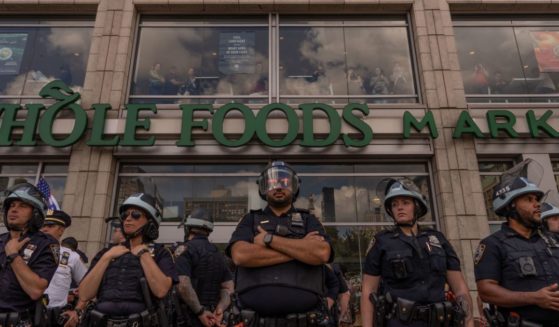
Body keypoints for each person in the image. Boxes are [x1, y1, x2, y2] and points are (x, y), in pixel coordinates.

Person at [227, 161, 333, 326]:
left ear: (294, 186)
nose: (278, 187)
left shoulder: (309, 220)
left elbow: (321, 253)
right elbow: (240, 255)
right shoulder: (250, 220)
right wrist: (301, 249)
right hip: (254, 321)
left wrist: (270, 240)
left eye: (284, 182)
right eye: (272, 183)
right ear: (264, 188)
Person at [361, 178, 474, 327]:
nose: (399, 208)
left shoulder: (437, 239)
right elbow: (368, 291)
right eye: (394, 204)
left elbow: (459, 287)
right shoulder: (382, 241)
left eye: (405, 203)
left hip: (440, 321)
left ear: (417, 207)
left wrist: (469, 321)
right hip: (400, 322)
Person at [474, 161, 559, 326]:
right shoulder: (493, 244)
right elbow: (486, 291)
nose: (537, 204)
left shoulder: (553, 240)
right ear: (511, 205)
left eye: (537, 199)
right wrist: (534, 298)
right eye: (529, 199)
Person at [79, 193, 178, 326]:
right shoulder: (107, 253)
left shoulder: (160, 253)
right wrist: (106, 258)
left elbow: (161, 291)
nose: (128, 219)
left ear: (150, 220)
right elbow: (84, 294)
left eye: (136, 214)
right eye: (125, 215)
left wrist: (144, 254)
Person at [0, 183, 59, 326]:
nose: (14, 209)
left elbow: (35, 290)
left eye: (22, 206)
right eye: (12, 205)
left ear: (36, 214)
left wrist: (13, 255)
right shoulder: (0, 240)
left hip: (17, 321)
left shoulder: (46, 243)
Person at [175, 208, 234, 327]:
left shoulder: (186, 250)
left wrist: (200, 312)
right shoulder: (218, 253)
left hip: (190, 317)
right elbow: (229, 288)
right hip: (213, 318)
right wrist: (219, 310)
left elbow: (183, 285)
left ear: (188, 228)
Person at [41, 210, 88, 327]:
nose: (44, 229)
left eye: (50, 226)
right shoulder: (26, 251)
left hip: (56, 318)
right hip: (26, 315)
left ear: (61, 230)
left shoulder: (72, 256)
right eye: (42, 226)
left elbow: (89, 286)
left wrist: (76, 311)